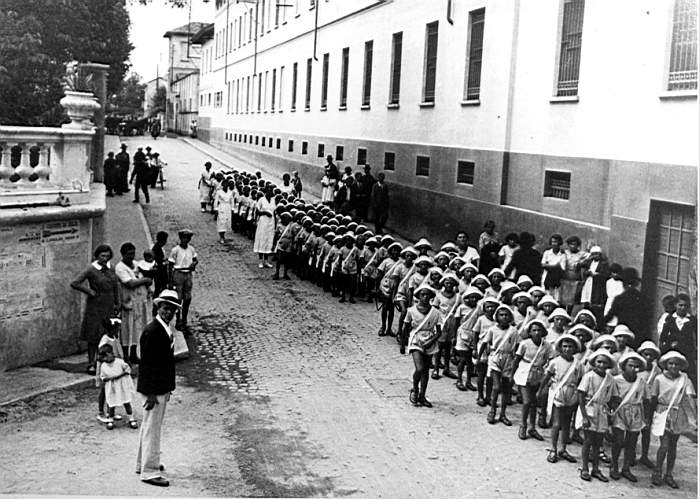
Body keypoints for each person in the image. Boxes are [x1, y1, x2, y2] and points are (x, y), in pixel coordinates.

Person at [136, 289, 181, 487]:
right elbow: (146, 365)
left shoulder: (164, 328)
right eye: (165, 308)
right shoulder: (152, 331)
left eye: (172, 310)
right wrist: (151, 393)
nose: (168, 312)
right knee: (152, 430)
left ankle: (143, 463)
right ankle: (150, 471)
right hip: (154, 389)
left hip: (161, 386)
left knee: (149, 427)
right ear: (158, 307)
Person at [71, 244, 120, 375]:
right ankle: (91, 363)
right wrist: (89, 291)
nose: (105, 258)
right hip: (95, 306)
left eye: (107, 256)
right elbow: (75, 283)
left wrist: (117, 303)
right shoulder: (91, 269)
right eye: (102, 256)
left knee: (108, 334)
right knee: (93, 335)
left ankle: (105, 360)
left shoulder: (111, 268)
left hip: (109, 305)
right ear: (97, 256)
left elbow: (115, 286)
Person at [650, 350, 696, 488]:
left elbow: (690, 397)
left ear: (681, 366)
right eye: (671, 363)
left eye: (677, 364)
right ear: (666, 364)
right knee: (664, 445)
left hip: (677, 413)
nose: (674, 366)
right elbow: (653, 398)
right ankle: (657, 471)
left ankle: (669, 474)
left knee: (673, 446)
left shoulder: (685, 379)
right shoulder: (659, 379)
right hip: (662, 412)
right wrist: (650, 416)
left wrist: (696, 416)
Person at [538, 334, 584, 464]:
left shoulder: (578, 364)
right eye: (565, 346)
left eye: (570, 346)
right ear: (560, 348)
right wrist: (540, 390)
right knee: (556, 423)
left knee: (566, 424)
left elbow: (580, 381)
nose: (567, 349)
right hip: (558, 393)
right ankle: (553, 448)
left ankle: (563, 449)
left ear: (574, 348)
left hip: (571, 394)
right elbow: (547, 376)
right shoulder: (555, 362)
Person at [576, 348, 617, 482]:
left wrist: (611, 416)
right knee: (588, 440)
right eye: (599, 362)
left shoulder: (610, 379)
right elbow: (581, 395)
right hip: (590, 408)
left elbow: (612, 398)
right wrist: (584, 416)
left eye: (605, 363)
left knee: (598, 442)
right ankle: (584, 468)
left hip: (602, 411)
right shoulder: (589, 376)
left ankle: (595, 468)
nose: (601, 365)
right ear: (594, 362)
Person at [609, 351, 648, 482]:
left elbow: (646, 399)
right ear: (624, 366)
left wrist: (647, 417)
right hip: (620, 411)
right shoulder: (616, 380)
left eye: (636, 366)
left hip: (636, 412)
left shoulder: (641, 382)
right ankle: (614, 465)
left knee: (632, 442)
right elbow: (611, 398)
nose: (633, 369)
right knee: (619, 440)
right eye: (630, 365)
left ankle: (626, 468)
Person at [512, 319, 553, 441]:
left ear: (543, 332)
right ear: (529, 332)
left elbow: (550, 360)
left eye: (539, 330)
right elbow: (516, 360)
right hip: (524, 372)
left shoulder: (547, 346)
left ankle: (532, 427)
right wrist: (512, 375)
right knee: (527, 401)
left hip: (537, 374)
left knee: (534, 403)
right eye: (534, 330)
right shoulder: (524, 344)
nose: (536, 333)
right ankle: (523, 425)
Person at [480, 305, 519, 426]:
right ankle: (492, 410)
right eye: (501, 315)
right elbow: (484, 343)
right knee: (497, 387)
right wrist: (479, 356)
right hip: (495, 357)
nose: (504, 317)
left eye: (506, 315)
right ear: (497, 317)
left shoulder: (513, 330)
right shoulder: (493, 329)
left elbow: (517, 345)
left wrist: (516, 360)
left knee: (506, 388)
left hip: (508, 358)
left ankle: (503, 414)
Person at [115, 242, 153, 364]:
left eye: (133, 253)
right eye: (128, 254)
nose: (131, 256)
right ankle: (125, 356)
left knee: (137, 329)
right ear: (123, 254)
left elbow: (148, 275)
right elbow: (130, 283)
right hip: (128, 302)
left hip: (140, 301)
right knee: (127, 329)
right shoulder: (120, 267)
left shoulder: (137, 264)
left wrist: (147, 281)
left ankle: (133, 354)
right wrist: (144, 280)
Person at [406, 284, 442, 408]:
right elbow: (406, 327)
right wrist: (403, 343)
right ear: (418, 296)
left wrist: (431, 341)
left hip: (429, 340)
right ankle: (415, 389)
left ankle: (422, 395)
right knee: (419, 368)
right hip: (416, 340)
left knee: (426, 370)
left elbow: (439, 332)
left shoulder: (435, 312)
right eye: (423, 294)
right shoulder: (411, 310)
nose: (425, 297)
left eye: (428, 295)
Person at [658, 293, 697, 388]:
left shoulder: (692, 320)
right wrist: (669, 344)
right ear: (675, 305)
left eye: (685, 306)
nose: (683, 308)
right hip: (673, 350)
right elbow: (663, 336)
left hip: (687, 351)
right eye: (680, 305)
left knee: (689, 374)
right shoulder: (670, 318)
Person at [603, 267, 650, 345]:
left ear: (623, 283)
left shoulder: (619, 299)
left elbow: (610, 315)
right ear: (636, 283)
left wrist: (599, 324)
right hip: (638, 335)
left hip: (622, 334)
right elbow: (646, 321)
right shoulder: (644, 299)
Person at [98, 343, 138, 430]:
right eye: (103, 358)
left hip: (121, 386)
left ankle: (131, 418)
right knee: (111, 403)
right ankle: (110, 419)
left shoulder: (119, 362)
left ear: (112, 353)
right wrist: (109, 378)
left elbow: (127, 370)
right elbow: (103, 377)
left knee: (126, 401)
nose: (105, 359)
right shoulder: (104, 366)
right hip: (112, 387)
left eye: (107, 356)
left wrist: (120, 375)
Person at [168, 229, 198, 332]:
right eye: (184, 237)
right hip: (178, 274)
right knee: (178, 299)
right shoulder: (175, 250)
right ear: (180, 238)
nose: (186, 240)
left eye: (188, 238)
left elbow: (195, 259)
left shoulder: (191, 249)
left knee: (187, 298)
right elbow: (170, 265)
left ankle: (185, 321)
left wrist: (194, 264)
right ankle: (178, 321)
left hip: (188, 274)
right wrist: (170, 281)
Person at [253, 186, 276, 268]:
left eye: (271, 191)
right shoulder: (261, 200)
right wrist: (265, 212)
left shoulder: (273, 200)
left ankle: (266, 261)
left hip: (271, 222)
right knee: (262, 239)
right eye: (268, 191)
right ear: (265, 192)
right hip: (263, 221)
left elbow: (274, 212)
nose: (270, 192)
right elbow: (257, 211)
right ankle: (260, 261)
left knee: (268, 240)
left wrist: (275, 225)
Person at [541, 234, 566, 302]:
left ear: (559, 243)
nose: (554, 244)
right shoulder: (547, 253)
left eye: (556, 242)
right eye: (552, 242)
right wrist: (555, 266)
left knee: (556, 299)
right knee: (546, 297)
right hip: (546, 279)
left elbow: (562, 268)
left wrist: (548, 266)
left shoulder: (562, 255)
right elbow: (543, 265)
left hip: (557, 280)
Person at [151, 231, 169, 307]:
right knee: (159, 289)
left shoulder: (158, 247)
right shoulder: (156, 248)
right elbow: (158, 261)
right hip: (160, 273)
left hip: (160, 272)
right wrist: (165, 262)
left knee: (160, 289)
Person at [214, 179, 233, 244]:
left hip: (228, 207)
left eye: (227, 184)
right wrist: (216, 209)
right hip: (221, 207)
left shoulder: (230, 192)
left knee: (227, 222)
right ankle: (221, 237)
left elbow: (232, 201)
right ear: (222, 185)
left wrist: (232, 208)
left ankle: (223, 235)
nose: (225, 186)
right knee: (221, 221)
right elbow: (216, 201)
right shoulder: (219, 192)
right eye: (224, 184)